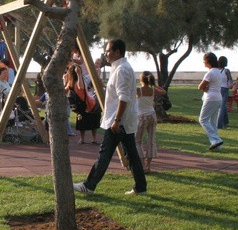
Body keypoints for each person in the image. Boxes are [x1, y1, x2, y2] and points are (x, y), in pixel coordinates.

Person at [74, 39, 147, 196]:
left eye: (108, 51)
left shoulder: (122, 70)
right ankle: (141, 187)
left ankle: (89, 186)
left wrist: (117, 120)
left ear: (117, 52)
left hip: (119, 122)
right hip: (123, 121)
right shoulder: (121, 68)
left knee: (105, 154)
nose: (105, 54)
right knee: (131, 154)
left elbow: (123, 98)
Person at [137, 71, 165, 173]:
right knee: (151, 141)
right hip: (152, 115)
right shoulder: (153, 90)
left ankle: (142, 164)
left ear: (141, 80)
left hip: (142, 116)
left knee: (137, 141)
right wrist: (154, 84)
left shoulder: (138, 90)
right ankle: (148, 166)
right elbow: (163, 92)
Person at [65, 64, 100, 144]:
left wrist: (79, 74)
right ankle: (82, 139)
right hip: (82, 105)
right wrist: (65, 80)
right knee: (81, 122)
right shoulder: (71, 82)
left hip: (88, 103)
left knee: (93, 121)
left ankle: (94, 139)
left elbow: (81, 87)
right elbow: (65, 91)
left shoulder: (80, 80)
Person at [198, 52, 225, 151]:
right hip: (218, 98)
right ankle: (216, 146)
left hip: (211, 98)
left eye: (204, 60)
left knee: (203, 119)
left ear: (208, 61)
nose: (203, 62)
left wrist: (204, 88)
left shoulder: (210, 72)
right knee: (213, 122)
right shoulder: (218, 72)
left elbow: (200, 87)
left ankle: (216, 140)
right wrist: (205, 88)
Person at [217, 56, 233, 129]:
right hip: (224, 89)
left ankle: (224, 122)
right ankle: (220, 124)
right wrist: (230, 85)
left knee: (222, 106)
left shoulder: (216, 70)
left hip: (218, 89)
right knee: (222, 107)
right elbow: (230, 79)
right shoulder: (226, 71)